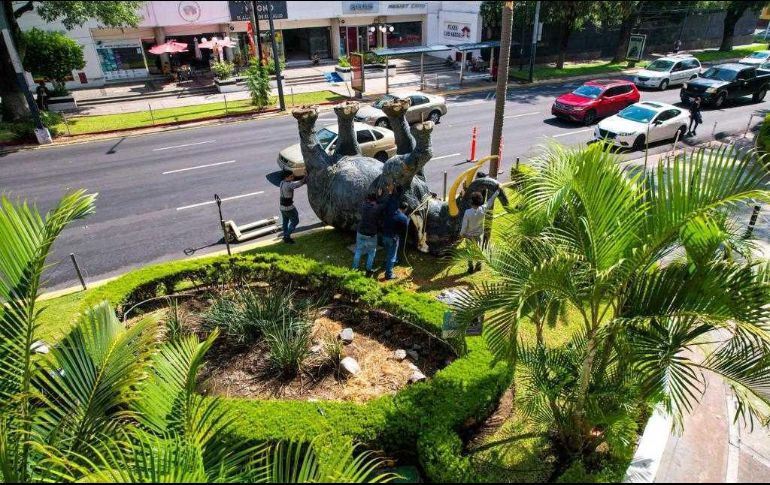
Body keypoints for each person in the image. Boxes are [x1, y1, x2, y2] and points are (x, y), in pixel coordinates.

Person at [352, 187, 390, 277]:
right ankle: (368, 269)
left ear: (367, 199)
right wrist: (384, 194)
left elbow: (369, 201)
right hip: (371, 234)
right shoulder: (377, 208)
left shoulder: (363, 206)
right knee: (371, 252)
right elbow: (384, 204)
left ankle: (354, 268)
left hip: (360, 232)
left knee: (358, 251)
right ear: (375, 200)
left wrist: (376, 197)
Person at [459, 190, 499, 274]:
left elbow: (464, 226)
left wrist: (461, 234)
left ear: (471, 201)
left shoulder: (467, 212)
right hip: (479, 235)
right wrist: (497, 191)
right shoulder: (483, 209)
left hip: (469, 236)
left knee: (468, 251)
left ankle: (470, 267)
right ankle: (479, 265)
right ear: (480, 201)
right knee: (479, 250)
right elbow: (490, 201)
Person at [381, 194, 409, 280]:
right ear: (405, 209)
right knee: (392, 255)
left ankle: (386, 263)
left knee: (388, 252)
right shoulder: (403, 217)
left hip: (384, 235)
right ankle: (388, 275)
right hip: (393, 238)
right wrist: (408, 220)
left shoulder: (391, 212)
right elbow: (405, 229)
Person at [279, 170, 306, 244]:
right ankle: (287, 237)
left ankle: (285, 235)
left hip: (282, 207)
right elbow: (299, 184)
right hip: (289, 208)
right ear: (286, 177)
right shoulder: (289, 185)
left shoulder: (282, 182)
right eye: (291, 177)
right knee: (295, 221)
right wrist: (305, 177)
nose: (293, 177)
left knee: (285, 222)